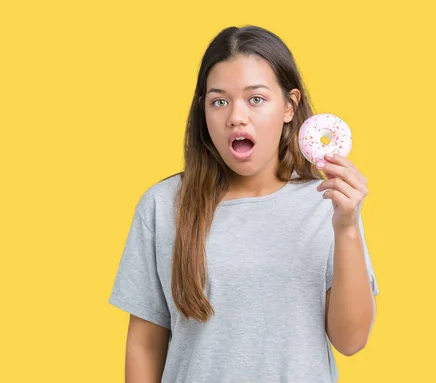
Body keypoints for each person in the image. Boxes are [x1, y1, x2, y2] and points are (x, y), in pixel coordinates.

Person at [108, 25, 379, 383]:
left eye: (256, 99)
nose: (236, 116)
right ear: (203, 111)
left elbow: (352, 341)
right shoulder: (162, 206)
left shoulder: (327, 203)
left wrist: (346, 228)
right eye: (219, 101)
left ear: (289, 106)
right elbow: (144, 345)